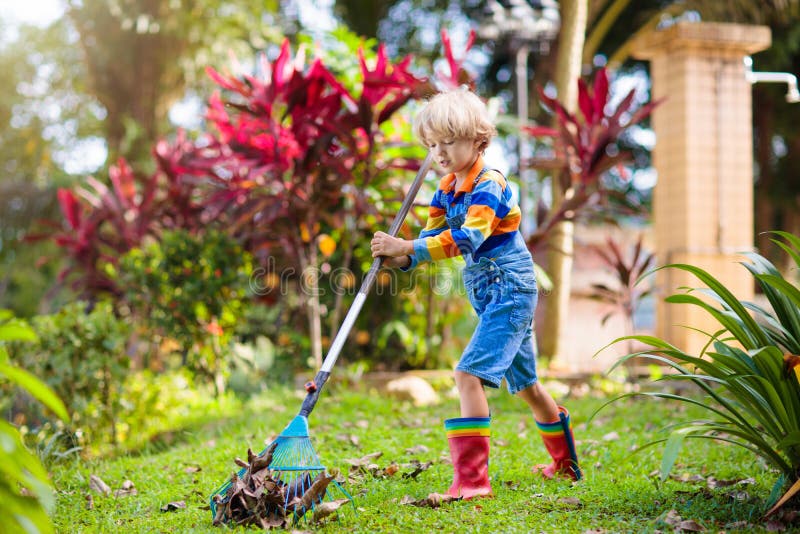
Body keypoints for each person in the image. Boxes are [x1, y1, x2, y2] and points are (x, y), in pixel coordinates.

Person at [370, 89, 581, 500]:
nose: (440, 153)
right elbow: (431, 240)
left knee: (467, 374)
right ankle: (565, 465)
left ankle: (471, 482)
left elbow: (467, 239)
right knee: (527, 387)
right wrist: (397, 256)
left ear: (478, 140)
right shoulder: (445, 190)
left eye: (448, 142)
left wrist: (407, 248)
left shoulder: (490, 185)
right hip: (488, 291)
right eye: (432, 144)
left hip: (510, 288)